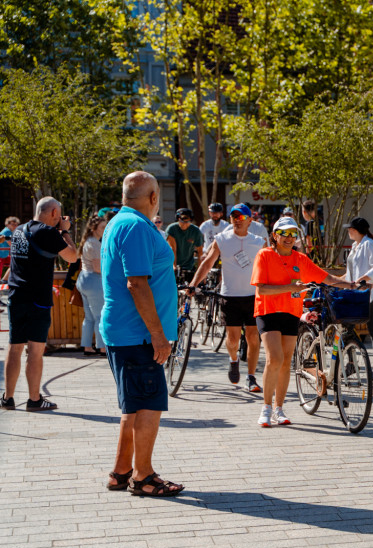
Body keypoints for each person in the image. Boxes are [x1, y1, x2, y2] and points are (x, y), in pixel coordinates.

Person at [100, 171, 183, 497]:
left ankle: (121, 472)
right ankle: (143, 476)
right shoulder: (134, 226)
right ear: (152, 198)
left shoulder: (120, 222)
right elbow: (137, 283)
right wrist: (158, 335)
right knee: (148, 404)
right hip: (138, 335)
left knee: (133, 406)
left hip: (128, 332)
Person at [250, 221, 347, 426]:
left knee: (286, 362)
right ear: (275, 235)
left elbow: (326, 277)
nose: (289, 237)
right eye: (284, 233)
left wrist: (350, 284)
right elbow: (262, 290)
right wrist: (290, 287)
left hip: (291, 312)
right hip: (267, 311)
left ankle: (279, 408)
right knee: (274, 359)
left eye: (293, 233)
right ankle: (265, 408)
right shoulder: (265, 255)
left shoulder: (299, 258)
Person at [2, 197, 78, 411]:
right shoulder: (47, 232)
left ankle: (7, 398)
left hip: (16, 295)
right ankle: (34, 399)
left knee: (14, 347)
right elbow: (72, 257)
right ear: (54, 213)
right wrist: (64, 231)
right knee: (35, 350)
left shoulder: (19, 230)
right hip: (38, 298)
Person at [188, 204, 265, 391]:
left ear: (249, 220)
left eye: (241, 217)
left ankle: (252, 377)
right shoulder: (222, 239)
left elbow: (269, 266)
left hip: (253, 296)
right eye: (233, 217)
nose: (237, 220)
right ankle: (233, 359)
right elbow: (207, 263)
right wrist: (193, 283)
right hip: (230, 296)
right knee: (232, 339)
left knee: (254, 337)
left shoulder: (258, 241)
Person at [343, 217, 373, 380]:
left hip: (371, 293)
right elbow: (350, 271)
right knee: (348, 327)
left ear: (357, 230)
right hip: (356, 293)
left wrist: (363, 279)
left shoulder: (370, 244)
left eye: (350, 229)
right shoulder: (355, 246)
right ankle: (352, 364)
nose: (348, 231)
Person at [76, 215, 108, 356]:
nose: (104, 229)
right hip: (94, 280)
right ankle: (102, 348)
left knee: (89, 317)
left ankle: (87, 346)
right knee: (100, 316)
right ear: (94, 228)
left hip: (84, 279)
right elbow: (97, 267)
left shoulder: (88, 241)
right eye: (102, 227)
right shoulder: (94, 243)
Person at [165, 208, 203, 283]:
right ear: (178, 219)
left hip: (189, 266)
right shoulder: (172, 229)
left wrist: (200, 272)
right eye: (182, 220)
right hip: (173, 264)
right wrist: (174, 266)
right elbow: (173, 249)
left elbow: (200, 251)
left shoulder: (195, 231)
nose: (184, 223)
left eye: (187, 221)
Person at [0, 215, 17, 283]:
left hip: (4, 254)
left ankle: (4, 280)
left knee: (13, 263)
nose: (14, 226)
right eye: (12, 224)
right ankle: (4, 280)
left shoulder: (10, 232)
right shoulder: (6, 232)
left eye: (16, 224)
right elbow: (11, 244)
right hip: (1, 254)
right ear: (7, 224)